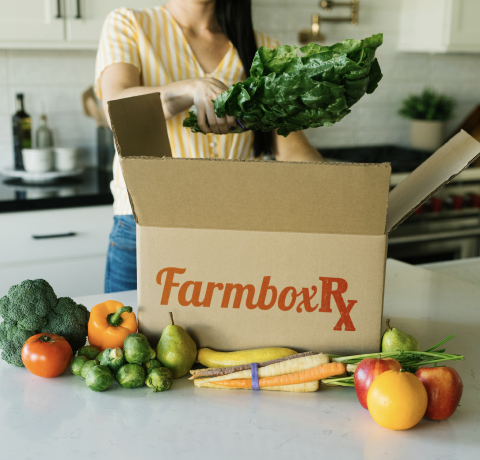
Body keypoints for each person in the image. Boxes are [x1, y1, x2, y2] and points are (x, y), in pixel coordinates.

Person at [95, 0, 324, 293]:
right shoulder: (129, 23)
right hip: (144, 228)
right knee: (128, 337)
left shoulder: (263, 48)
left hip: (229, 234)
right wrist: (192, 88)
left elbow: (291, 149)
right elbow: (117, 108)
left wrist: (344, 193)